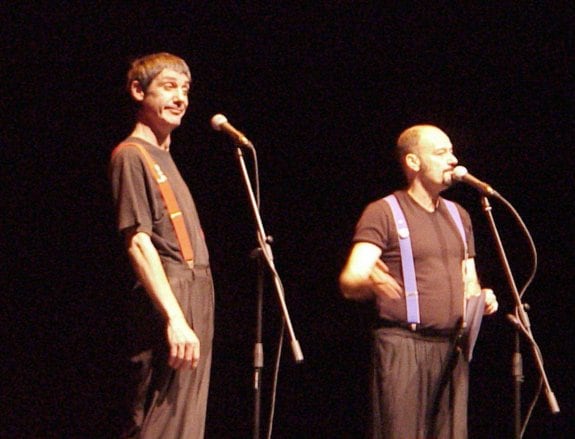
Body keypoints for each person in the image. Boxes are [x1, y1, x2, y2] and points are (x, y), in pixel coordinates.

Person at [339, 125, 498, 439]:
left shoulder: (460, 216)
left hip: (453, 348)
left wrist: (482, 297)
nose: (452, 159)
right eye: (440, 153)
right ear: (413, 163)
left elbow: (469, 279)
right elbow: (350, 278)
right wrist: (368, 281)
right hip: (404, 347)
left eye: (452, 151)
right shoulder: (384, 212)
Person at [109, 52, 214, 438]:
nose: (181, 98)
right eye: (169, 87)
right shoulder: (131, 156)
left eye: (185, 89)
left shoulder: (165, 157)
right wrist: (175, 317)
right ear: (139, 91)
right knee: (159, 421)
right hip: (171, 293)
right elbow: (138, 242)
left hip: (195, 290)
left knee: (186, 422)